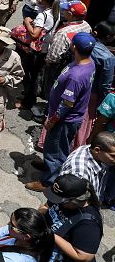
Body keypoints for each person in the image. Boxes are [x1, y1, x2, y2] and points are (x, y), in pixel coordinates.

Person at [27, 32, 97, 192]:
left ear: (74, 47)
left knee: (57, 151)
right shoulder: (88, 63)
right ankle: (49, 165)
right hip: (65, 116)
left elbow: (67, 103)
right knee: (53, 147)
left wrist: (52, 120)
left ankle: (49, 181)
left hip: (64, 119)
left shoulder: (76, 76)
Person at [41, 174, 103, 262]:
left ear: (74, 201)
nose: (56, 202)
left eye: (60, 201)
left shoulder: (89, 224)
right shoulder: (61, 196)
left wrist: (51, 235)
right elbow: (46, 206)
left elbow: (83, 256)